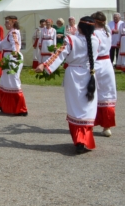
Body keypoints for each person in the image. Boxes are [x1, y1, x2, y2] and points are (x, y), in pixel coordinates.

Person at [36, 17, 99, 154]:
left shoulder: (71, 39)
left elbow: (59, 54)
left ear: (80, 28)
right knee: (87, 107)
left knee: (75, 107)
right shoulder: (96, 41)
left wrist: (44, 65)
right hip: (90, 74)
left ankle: (78, 140)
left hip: (74, 75)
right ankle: (86, 139)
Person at [0, 16, 28, 116]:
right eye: (5, 22)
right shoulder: (10, 32)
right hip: (8, 58)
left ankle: (21, 108)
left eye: (7, 22)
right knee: (4, 81)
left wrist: (15, 52)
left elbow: (15, 43)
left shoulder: (14, 32)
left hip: (13, 58)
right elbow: (2, 44)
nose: (5, 24)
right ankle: (3, 104)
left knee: (13, 81)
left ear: (12, 23)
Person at [91, 12, 117, 137]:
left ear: (95, 22)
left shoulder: (93, 34)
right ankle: (107, 127)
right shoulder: (108, 31)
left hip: (96, 63)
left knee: (92, 92)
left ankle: (89, 122)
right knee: (107, 93)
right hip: (107, 64)